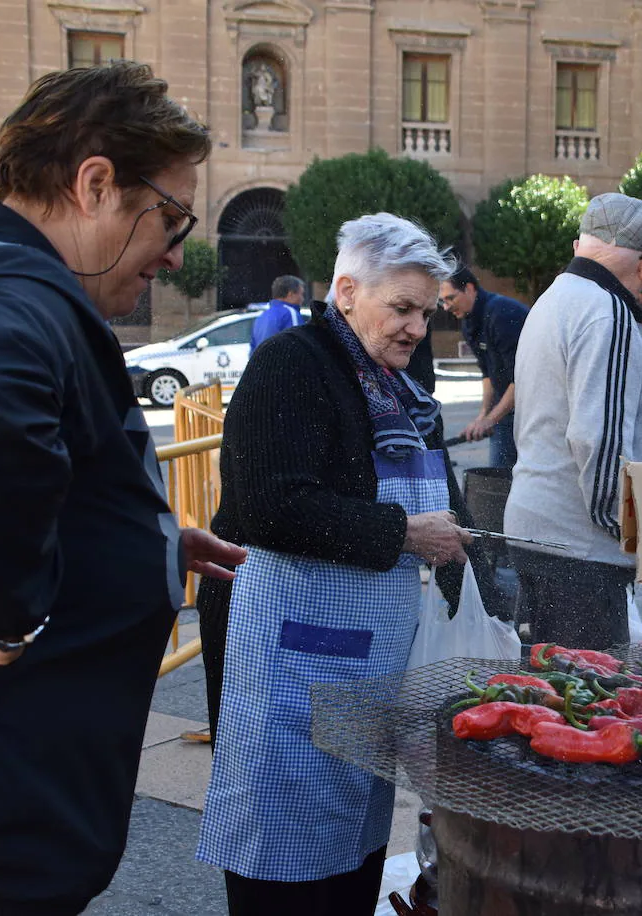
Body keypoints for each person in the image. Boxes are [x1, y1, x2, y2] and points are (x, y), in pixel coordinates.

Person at [0, 63, 246, 915]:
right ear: (95, 183)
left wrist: (149, 537)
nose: (175, 253)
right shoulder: (16, 285)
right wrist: (8, 607)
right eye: (170, 217)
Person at [196, 213, 474, 916]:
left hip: (362, 660)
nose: (416, 327)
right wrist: (406, 535)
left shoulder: (396, 382)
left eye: (426, 312)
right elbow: (269, 507)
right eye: (402, 308)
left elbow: (433, 480)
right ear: (347, 291)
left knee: (351, 847)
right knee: (284, 868)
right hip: (286, 652)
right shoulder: (294, 364)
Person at [505, 192, 642, 648]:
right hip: (579, 548)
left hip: (537, 530)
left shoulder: (552, 299)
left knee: (552, 693)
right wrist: (636, 534)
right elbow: (598, 443)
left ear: (580, 244)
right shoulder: (610, 310)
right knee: (588, 705)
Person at [438, 265, 529, 468]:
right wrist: (482, 417)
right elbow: (487, 373)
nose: (446, 307)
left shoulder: (502, 314)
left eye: (450, 298)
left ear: (469, 289)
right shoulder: (468, 321)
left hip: (534, 409)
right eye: (442, 301)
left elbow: (522, 378)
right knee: (497, 477)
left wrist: (491, 419)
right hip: (506, 407)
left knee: (530, 477)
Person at [249, 273, 307, 353]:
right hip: (282, 364)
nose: (302, 299)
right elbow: (298, 347)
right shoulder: (290, 313)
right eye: (301, 294)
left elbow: (253, 350)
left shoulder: (261, 317)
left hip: (262, 364)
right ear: (290, 294)